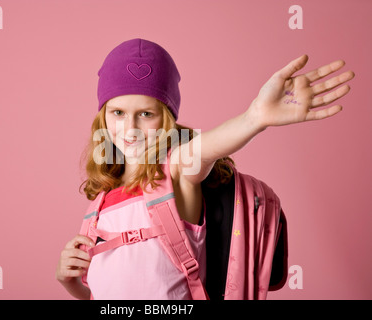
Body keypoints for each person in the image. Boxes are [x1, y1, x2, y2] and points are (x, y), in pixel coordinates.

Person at [55, 38, 355, 300]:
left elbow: (207, 147)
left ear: (167, 120)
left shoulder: (177, 170)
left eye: (145, 113)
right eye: (117, 112)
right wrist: (71, 283)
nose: (130, 128)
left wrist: (254, 118)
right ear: (103, 117)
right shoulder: (100, 204)